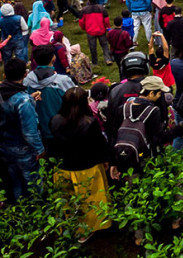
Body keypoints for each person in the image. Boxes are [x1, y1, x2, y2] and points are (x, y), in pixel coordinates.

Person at [48, 87, 112, 240]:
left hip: (63, 168)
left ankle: (70, 225)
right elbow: (99, 144)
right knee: (91, 200)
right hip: (87, 168)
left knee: (68, 199)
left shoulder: (55, 120)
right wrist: (105, 159)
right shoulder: (89, 123)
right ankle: (87, 229)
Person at [0, 57, 45, 199]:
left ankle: (19, 210)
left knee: (14, 182)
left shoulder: (9, 94)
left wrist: (30, 99)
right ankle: (36, 211)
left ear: (4, 75)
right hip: (22, 148)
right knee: (33, 183)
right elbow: (29, 132)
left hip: (4, 145)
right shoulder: (23, 101)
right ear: (25, 75)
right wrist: (39, 150)